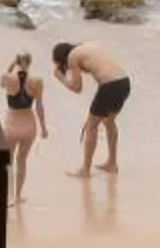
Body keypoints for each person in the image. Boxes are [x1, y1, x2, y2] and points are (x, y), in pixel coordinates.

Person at [48, 39, 129, 177]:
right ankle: (112, 163)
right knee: (109, 122)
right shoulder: (88, 46)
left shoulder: (72, 56)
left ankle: (85, 170)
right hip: (124, 82)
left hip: (110, 86)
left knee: (91, 126)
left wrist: (60, 77)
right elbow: (103, 71)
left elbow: (77, 88)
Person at [0, 52, 45, 200]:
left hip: (11, 125)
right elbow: (39, 106)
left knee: (8, 162)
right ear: (30, 62)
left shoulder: (7, 78)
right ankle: (18, 196)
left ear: (17, 61)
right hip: (28, 126)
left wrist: (12, 65)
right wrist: (43, 127)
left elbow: (2, 83)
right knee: (22, 161)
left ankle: (8, 195)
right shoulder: (37, 81)